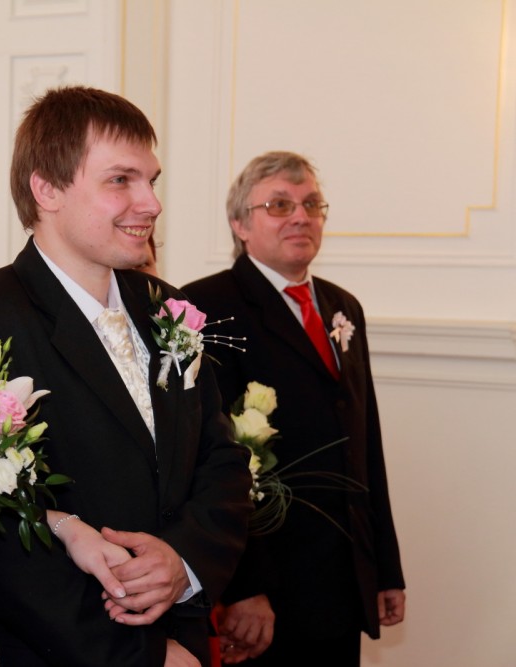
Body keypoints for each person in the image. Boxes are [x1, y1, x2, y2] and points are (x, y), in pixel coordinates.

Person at [0, 85, 252, 667]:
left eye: (151, 180)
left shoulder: (169, 309)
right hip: (66, 651)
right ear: (46, 189)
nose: (150, 203)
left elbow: (221, 461)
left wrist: (184, 564)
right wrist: (144, 656)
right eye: (120, 180)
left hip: (181, 628)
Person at [182, 151, 406, 666]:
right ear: (240, 223)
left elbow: (365, 442)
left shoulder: (343, 306)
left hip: (343, 579)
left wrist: (383, 568)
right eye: (280, 205)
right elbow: (208, 462)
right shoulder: (209, 307)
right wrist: (245, 587)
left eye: (311, 204)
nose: (301, 217)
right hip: (268, 588)